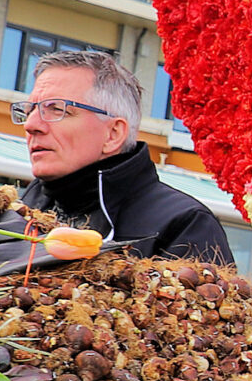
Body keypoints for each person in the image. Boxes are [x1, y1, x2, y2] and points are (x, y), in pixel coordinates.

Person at [15, 49, 230, 263]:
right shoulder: (19, 210)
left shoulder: (185, 226)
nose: (31, 125)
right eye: (29, 111)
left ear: (113, 134)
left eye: (57, 109)